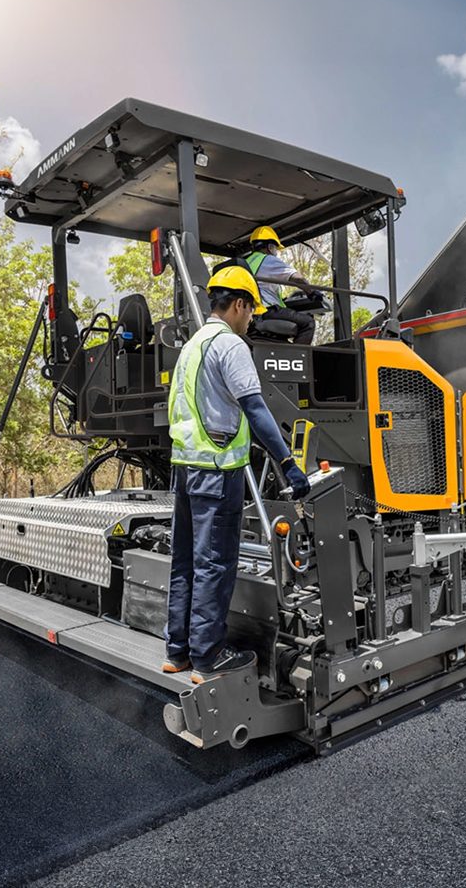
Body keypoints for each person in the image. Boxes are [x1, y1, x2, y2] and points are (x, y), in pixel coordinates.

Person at [164, 265, 313, 681]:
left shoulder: (192, 345)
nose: (252, 320)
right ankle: (209, 656)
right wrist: (287, 464)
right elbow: (256, 408)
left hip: (186, 468)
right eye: (252, 312)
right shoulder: (231, 347)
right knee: (214, 564)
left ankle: (178, 651)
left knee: (185, 561)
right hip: (217, 470)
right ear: (240, 304)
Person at [244, 226, 317, 344]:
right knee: (308, 322)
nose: (275, 252)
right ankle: (297, 359)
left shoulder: (246, 262)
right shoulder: (268, 260)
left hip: (251, 313)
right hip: (266, 311)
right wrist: (312, 292)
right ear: (270, 247)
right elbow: (298, 279)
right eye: (275, 249)